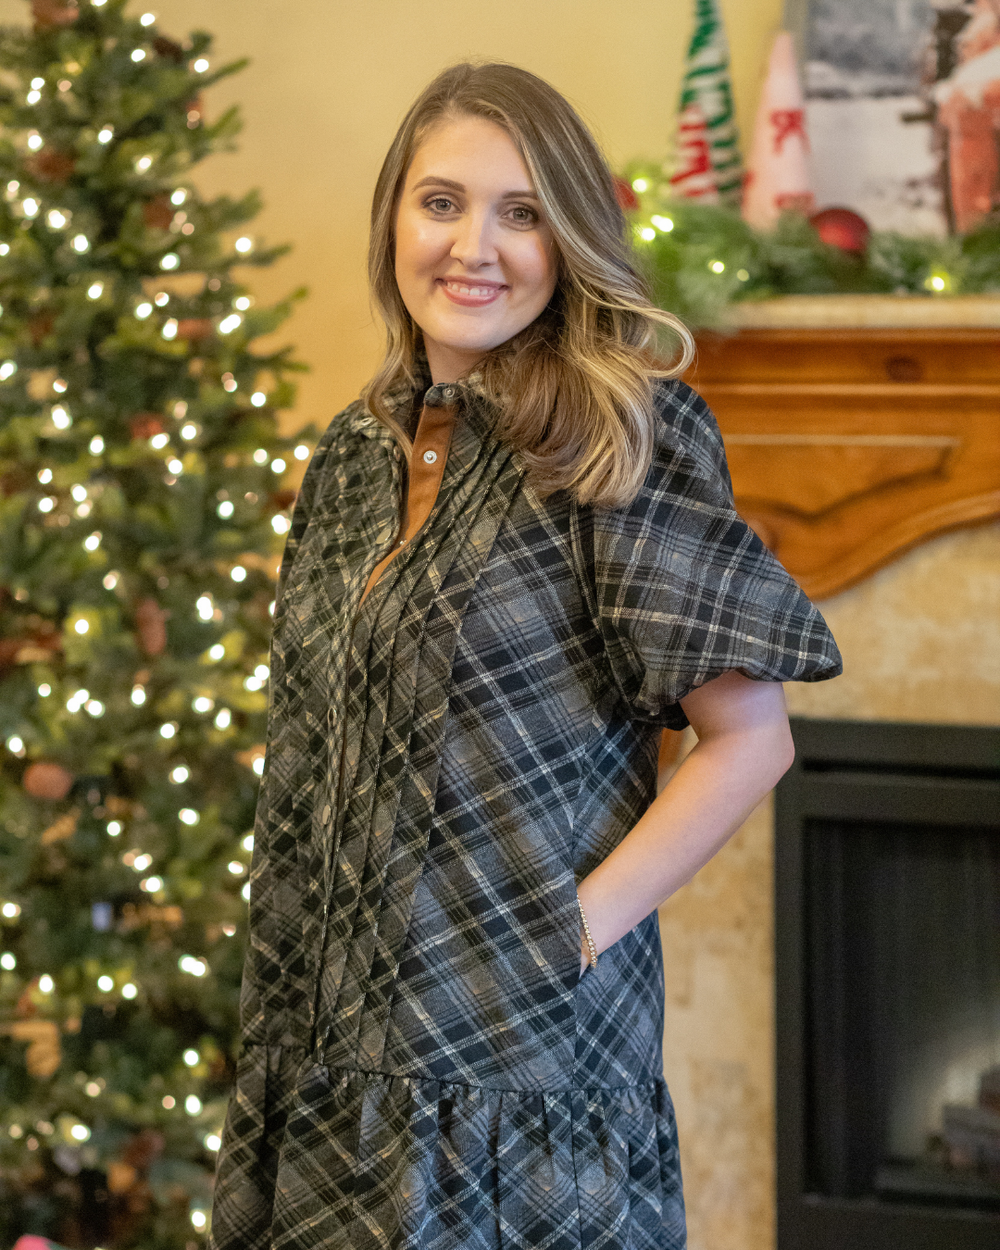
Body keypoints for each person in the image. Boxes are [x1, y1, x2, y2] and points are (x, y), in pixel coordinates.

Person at [209, 62, 841, 1250]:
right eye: (441, 201)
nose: (473, 245)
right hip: (325, 1056)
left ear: (570, 240)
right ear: (394, 216)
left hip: (520, 1077)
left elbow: (750, 741)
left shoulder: (611, 439)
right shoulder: (355, 453)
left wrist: (572, 927)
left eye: (522, 211)